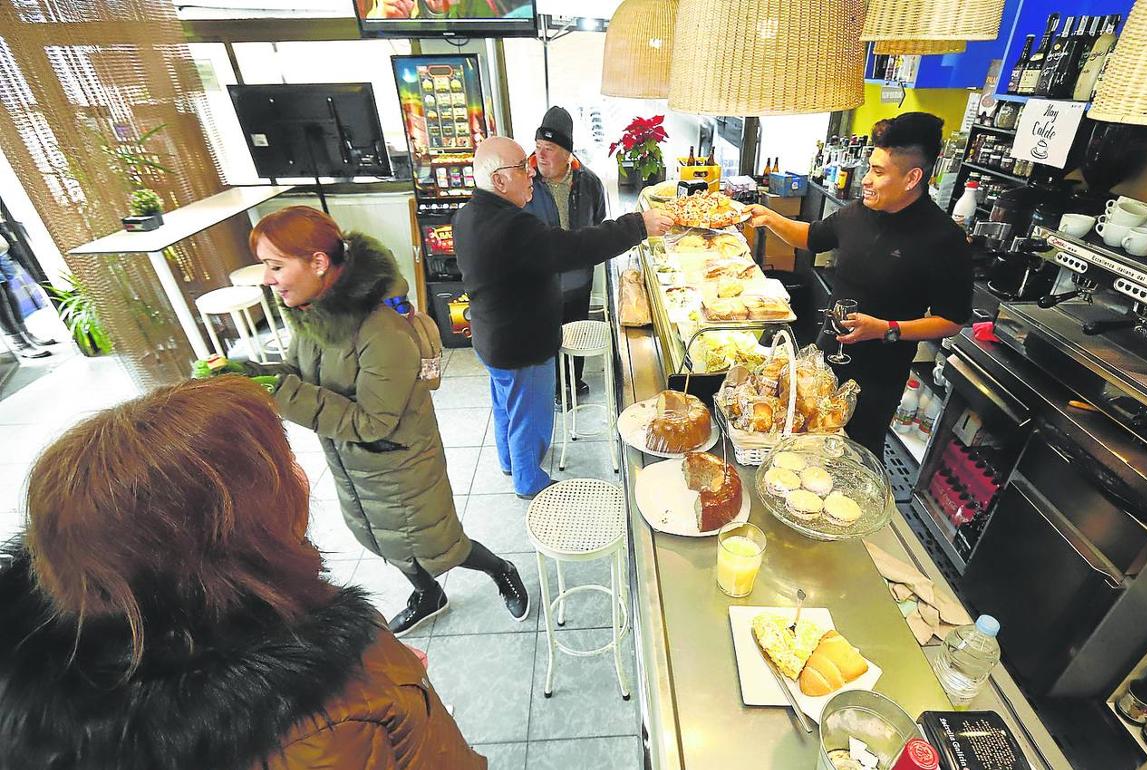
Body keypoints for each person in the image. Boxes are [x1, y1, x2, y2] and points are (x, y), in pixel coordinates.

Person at [0, 376, 484, 769]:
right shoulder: (318, 727)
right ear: (219, 533)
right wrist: (373, 684)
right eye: (282, 466)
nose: (299, 479)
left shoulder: (111, 639)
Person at [227, 205, 527, 634]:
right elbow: (298, 375)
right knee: (384, 540)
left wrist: (280, 391)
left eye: (276, 266)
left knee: (439, 542)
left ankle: (501, 570)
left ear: (318, 262)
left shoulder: (381, 331)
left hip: (399, 463)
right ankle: (428, 593)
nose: (268, 279)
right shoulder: (313, 316)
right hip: (353, 465)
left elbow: (374, 422)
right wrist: (255, 377)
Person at [453, 136, 672, 498]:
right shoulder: (512, 228)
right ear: (499, 181)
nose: (531, 173)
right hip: (521, 342)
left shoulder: (469, 214)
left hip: (490, 335)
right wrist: (638, 226)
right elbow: (574, 248)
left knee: (505, 403)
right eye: (522, 167)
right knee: (531, 415)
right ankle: (529, 480)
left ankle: (510, 460)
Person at [746, 113, 972, 458]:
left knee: (855, 456)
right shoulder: (859, 212)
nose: (866, 179)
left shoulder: (944, 239)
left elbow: (953, 319)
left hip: (878, 378)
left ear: (912, 178)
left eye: (878, 172)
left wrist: (886, 329)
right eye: (869, 167)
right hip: (823, 358)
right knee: (806, 445)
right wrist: (769, 218)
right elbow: (812, 237)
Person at [523, 105, 609, 405]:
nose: (541, 155)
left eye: (550, 148)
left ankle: (572, 383)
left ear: (567, 152)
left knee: (576, 333)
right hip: (538, 285)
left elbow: (599, 225)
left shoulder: (590, 183)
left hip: (577, 281)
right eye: (538, 147)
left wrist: (585, 261)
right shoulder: (524, 183)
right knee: (543, 342)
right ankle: (549, 391)